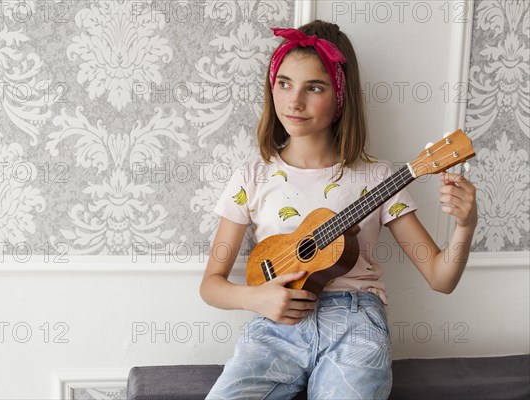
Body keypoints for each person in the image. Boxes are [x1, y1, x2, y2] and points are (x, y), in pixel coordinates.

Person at [200, 20, 477, 400]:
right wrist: (253, 297)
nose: (294, 101)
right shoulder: (252, 175)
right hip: (274, 326)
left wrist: (465, 226)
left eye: (314, 87)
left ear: (341, 97)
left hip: (355, 324)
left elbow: (440, 278)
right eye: (284, 83)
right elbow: (210, 284)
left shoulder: (379, 178)